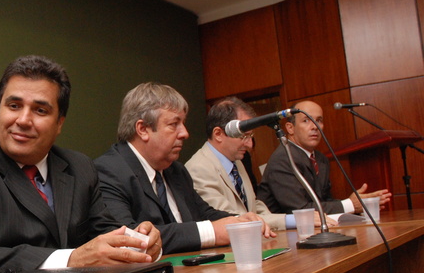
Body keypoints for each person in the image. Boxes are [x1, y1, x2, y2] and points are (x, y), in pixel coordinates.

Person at [0, 55, 162, 273]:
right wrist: (70, 260)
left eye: (40, 110)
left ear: (59, 123)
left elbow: (105, 234)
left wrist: (140, 243)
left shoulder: (80, 167)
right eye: (14, 106)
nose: (23, 120)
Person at [95, 83, 274, 255]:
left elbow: (203, 213)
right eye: (174, 124)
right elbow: (127, 238)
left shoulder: (176, 170)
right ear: (143, 129)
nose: (185, 133)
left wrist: (238, 221)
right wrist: (212, 232)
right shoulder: (108, 171)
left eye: (183, 123)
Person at [186, 97, 333, 231]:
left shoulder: (236, 161)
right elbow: (233, 219)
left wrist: (286, 221)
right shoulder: (199, 169)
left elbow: (254, 207)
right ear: (218, 134)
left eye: (250, 136)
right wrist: (294, 220)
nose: (250, 144)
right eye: (243, 136)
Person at [256, 100, 391, 214]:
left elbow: (325, 201)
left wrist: (356, 205)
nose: (315, 126)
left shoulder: (320, 159)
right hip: (280, 233)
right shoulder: (283, 159)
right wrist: (349, 205)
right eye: (306, 120)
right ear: (290, 128)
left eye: (319, 120)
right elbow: (299, 210)